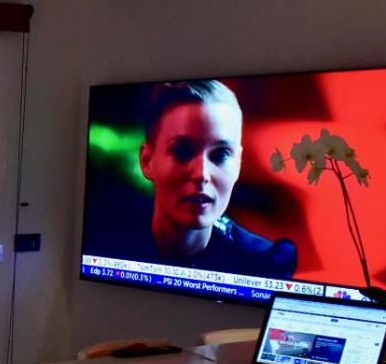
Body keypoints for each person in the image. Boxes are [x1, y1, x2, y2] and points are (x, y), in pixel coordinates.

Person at [127, 80, 297, 278]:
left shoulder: (263, 265)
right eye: (183, 151)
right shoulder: (104, 237)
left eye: (221, 154)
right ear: (147, 161)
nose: (202, 174)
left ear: (238, 164)